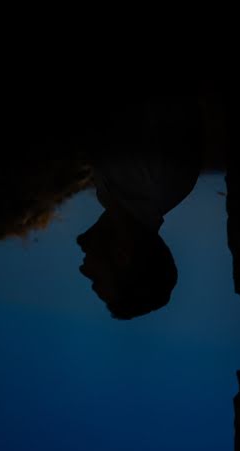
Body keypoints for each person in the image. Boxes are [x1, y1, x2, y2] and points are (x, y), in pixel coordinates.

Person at [77, 95, 204, 319]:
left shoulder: (112, 194)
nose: (84, 270)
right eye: (96, 278)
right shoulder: (155, 174)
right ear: (122, 256)